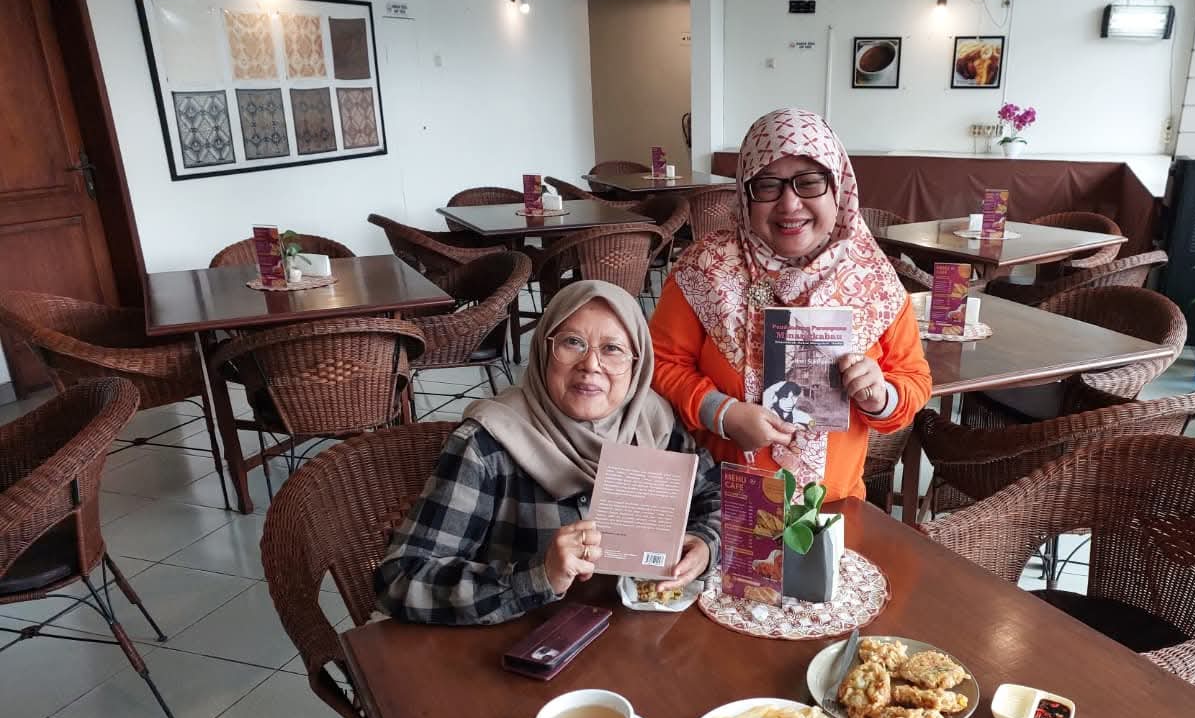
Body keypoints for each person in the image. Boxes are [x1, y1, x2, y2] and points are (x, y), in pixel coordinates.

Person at [376, 280, 721, 625]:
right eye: (573, 342)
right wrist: (539, 576)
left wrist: (706, 544)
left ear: (637, 363)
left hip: (633, 634)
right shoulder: (487, 445)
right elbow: (400, 579)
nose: (591, 364)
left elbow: (715, 495)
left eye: (612, 349)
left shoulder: (653, 424)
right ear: (544, 349)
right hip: (519, 641)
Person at [649, 107, 931, 499]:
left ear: (838, 187)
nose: (789, 204)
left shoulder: (872, 278)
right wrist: (722, 413)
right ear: (745, 193)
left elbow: (914, 377)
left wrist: (881, 396)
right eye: (767, 185)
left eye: (809, 182)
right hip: (720, 508)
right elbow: (658, 364)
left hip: (832, 508)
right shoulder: (704, 269)